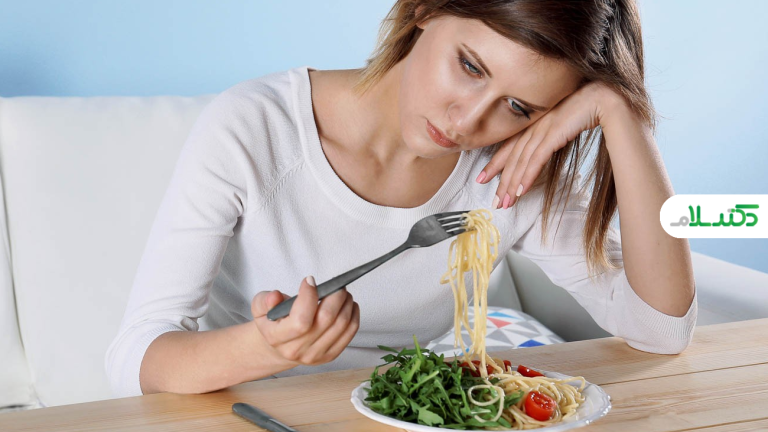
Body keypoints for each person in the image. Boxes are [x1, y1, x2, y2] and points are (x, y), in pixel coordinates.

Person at [105, 0, 697, 398]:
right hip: (241, 412)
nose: (468, 120)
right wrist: (269, 347)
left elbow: (662, 329)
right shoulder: (255, 128)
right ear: (425, 10)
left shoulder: (508, 175)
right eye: (469, 66)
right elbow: (136, 357)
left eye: (519, 107)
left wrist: (622, 113)